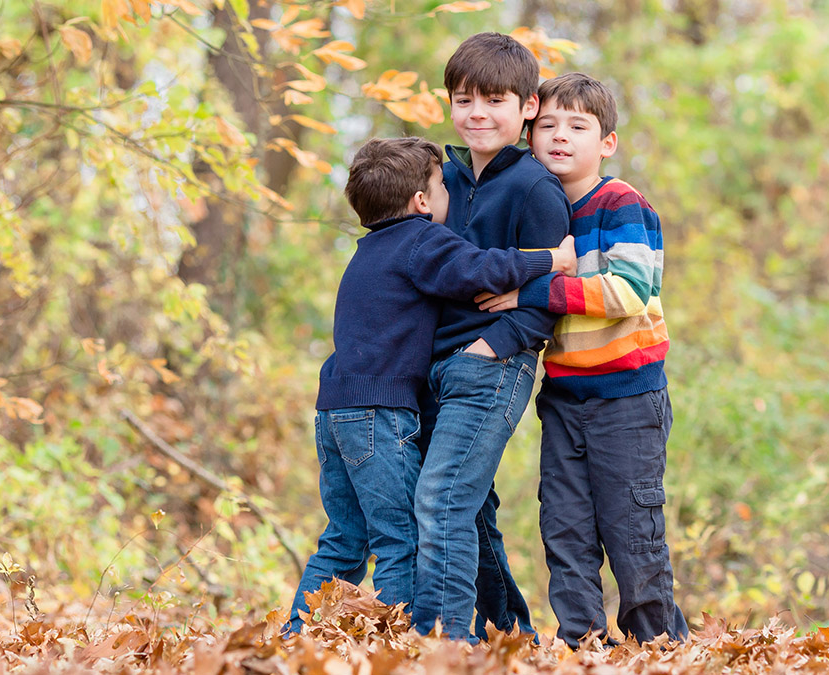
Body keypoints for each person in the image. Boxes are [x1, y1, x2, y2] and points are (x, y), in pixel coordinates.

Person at [283, 136, 575, 636]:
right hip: (380, 413)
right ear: (421, 202)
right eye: (442, 187)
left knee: (344, 538)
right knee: (400, 539)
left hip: (334, 411)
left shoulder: (365, 252)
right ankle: (399, 645)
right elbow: (481, 269)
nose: (448, 196)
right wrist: (551, 259)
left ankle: (296, 636)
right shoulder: (421, 241)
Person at [477, 72, 689, 646]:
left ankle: (660, 646)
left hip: (628, 397)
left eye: (578, 126)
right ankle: (582, 646)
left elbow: (628, 293)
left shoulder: (620, 204)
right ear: (529, 133)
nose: (560, 137)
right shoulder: (540, 210)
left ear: (607, 143)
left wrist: (533, 291)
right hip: (566, 400)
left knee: (631, 530)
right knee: (564, 529)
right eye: (546, 126)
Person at [411, 32, 573, 641]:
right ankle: (509, 633)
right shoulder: (442, 175)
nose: (477, 113)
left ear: (528, 106)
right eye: (464, 99)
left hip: (490, 366)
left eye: (495, 100)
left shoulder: (534, 187)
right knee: (468, 511)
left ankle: (445, 641)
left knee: (442, 500)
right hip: (432, 363)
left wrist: (493, 346)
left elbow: (555, 287)